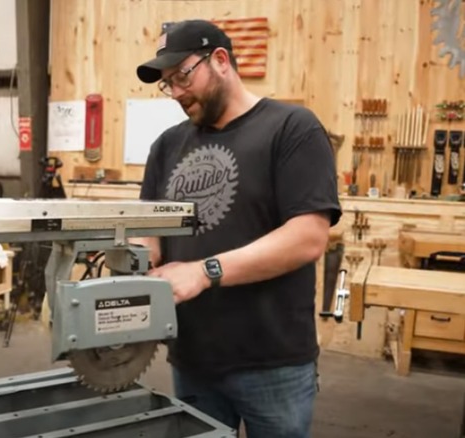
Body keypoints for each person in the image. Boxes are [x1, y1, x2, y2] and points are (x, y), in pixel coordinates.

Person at [131, 19, 342, 437]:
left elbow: (308, 237)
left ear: (221, 60)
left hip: (273, 363)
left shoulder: (292, 129)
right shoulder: (167, 146)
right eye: (167, 83)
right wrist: (131, 268)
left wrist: (204, 272)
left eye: (182, 76)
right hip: (192, 360)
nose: (175, 92)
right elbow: (149, 231)